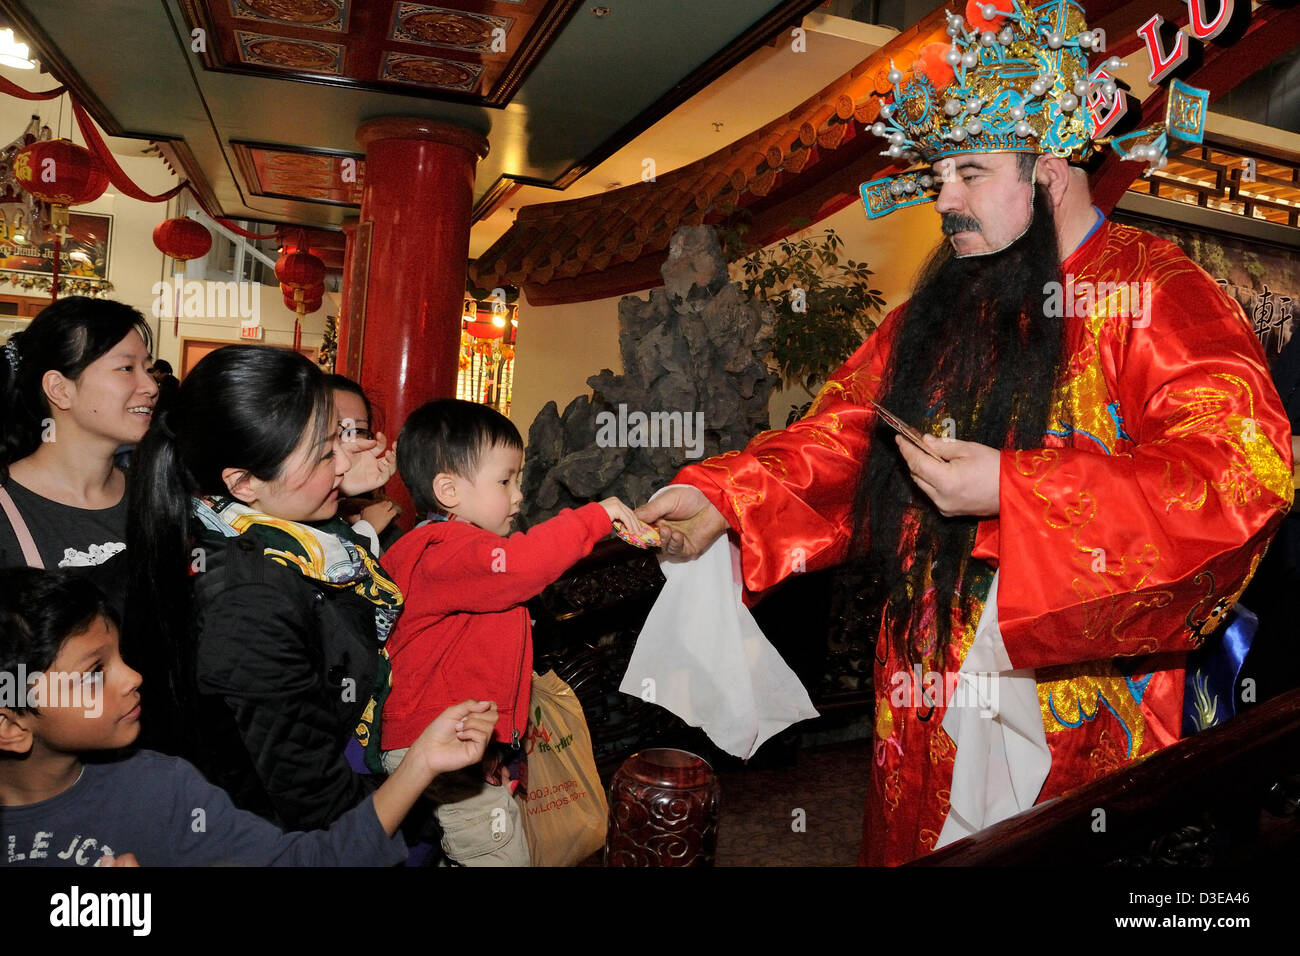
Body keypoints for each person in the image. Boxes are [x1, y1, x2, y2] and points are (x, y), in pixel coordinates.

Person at [636, 0, 1293, 865]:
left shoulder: (1154, 292)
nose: (943, 202)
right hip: (925, 675)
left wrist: (1016, 492)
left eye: (969, 175)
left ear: (1050, 169)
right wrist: (723, 498)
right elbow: (844, 434)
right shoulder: (942, 308)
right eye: (939, 176)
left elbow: (1242, 475)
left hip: (1080, 685)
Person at [0, 566, 499, 867]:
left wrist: (419, 765)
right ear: (10, 724)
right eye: (93, 673)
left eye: (118, 656)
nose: (131, 677)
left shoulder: (162, 790)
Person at [125, 345, 404, 830]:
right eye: (324, 454)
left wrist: (331, 489)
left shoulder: (254, 531)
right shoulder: (250, 597)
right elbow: (317, 801)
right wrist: (421, 784)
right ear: (243, 482)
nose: (343, 464)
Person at [381, 398, 649, 865]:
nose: (519, 494)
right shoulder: (446, 548)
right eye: (505, 480)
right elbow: (524, 565)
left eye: (518, 479)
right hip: (439, 739)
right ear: (447, 490)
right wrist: (596, 515)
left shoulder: (446, 547)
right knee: (497, 854)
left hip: (452, 736)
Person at [0, 298, 156, 614]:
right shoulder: (7, 509)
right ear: (59, 389)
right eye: (126, 368)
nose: (151, 386)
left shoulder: (154, 497)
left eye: (148, 369)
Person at [325, 373, 401, 555]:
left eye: (357, 430)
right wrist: (366, 531)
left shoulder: (380, 518)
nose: (348, 441)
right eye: (333, 428)